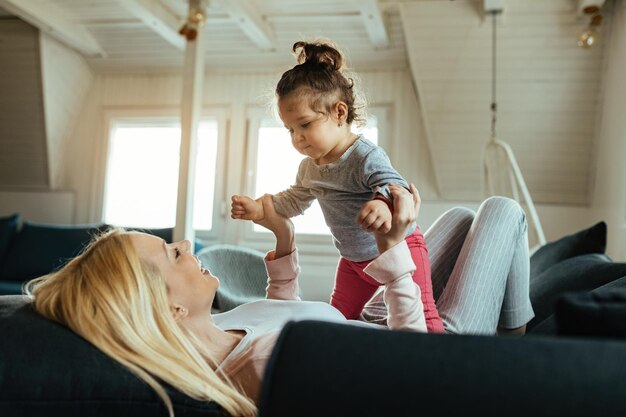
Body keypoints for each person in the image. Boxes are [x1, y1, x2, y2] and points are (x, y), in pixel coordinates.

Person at [26, 186, 534, 416]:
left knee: (462, 218)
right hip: (428, 341)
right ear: (169, 310)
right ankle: (516, 350)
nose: (185, 245)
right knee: (502, 211)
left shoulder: (227, 325)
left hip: (375, 319)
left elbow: (284, 312)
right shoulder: (264, 367)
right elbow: (413, 376)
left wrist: (284, 239)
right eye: (170, 253)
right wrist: (393, 252)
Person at [231, 40, 444, 332]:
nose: (297, 138)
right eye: (290, 130)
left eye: (304, 125)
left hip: (399, 247)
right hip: (352, 261)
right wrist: (259, 207)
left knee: (424, 315)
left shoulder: (364, 156)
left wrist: (382, 203)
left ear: (340, 113)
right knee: (336, 320)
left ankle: (440, 361)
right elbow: (295, 200)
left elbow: (395, 185)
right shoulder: (309, 167)